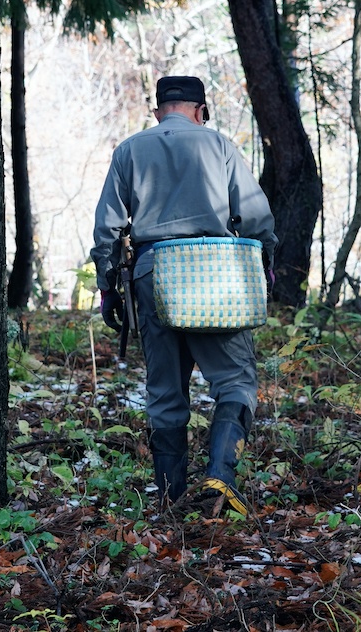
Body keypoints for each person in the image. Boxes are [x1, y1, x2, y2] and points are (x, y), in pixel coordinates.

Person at [90, 76, 277, 514]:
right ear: (201, 110)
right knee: (235, 381)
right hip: (218, 277)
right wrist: (264, 262)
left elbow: (109, 229)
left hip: (153, 275)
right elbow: (254, 216)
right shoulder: (221, 147)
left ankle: (171, 501)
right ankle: (220, 476)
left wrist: (108, 287)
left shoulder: (129, 150)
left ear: (159, 112)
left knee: (165, 393)